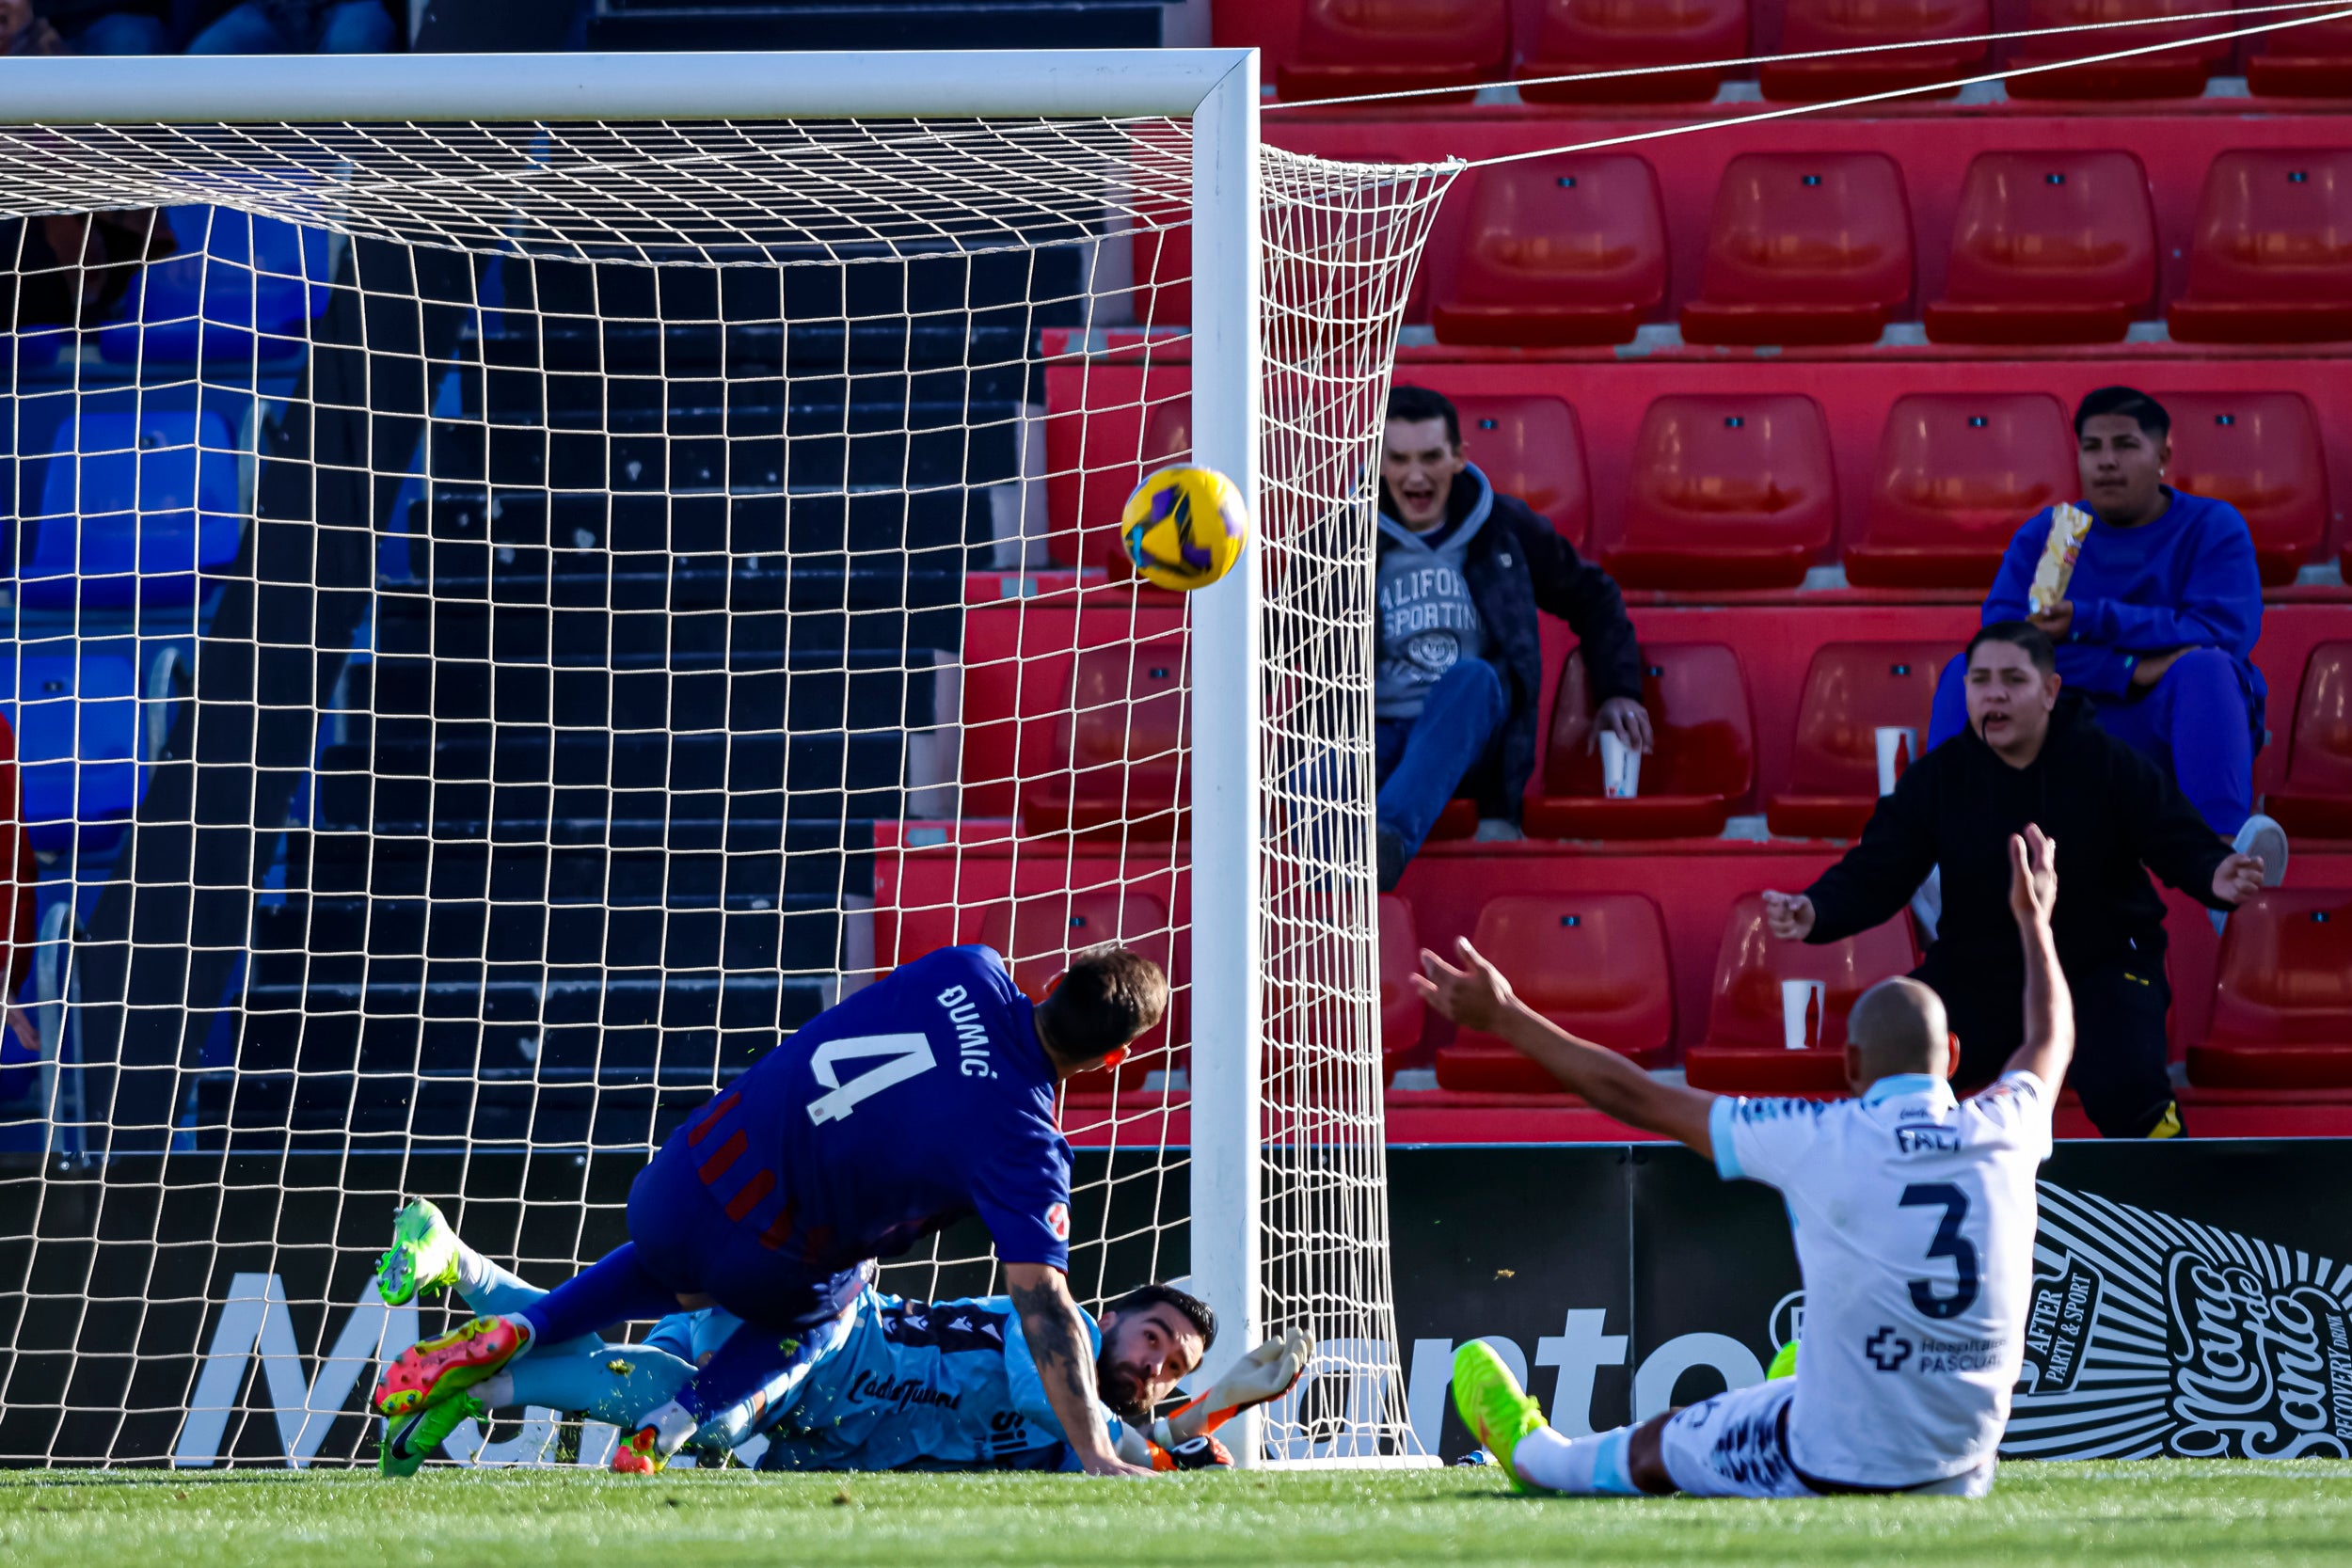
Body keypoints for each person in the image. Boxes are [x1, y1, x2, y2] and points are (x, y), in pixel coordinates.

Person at [1430, 823, 2073, 1499]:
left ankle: (1536, 1455)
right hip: (1962, 1467)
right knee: (1799, 1385)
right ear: (1954, 1057)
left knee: (1656, 1445)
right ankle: (1795, 1387)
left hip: (1828, 1461)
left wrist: (1506, 1016)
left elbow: (1633, 1094)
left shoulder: (1823, 1133)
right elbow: (2051, 1034)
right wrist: (2037, 922)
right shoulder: (2008, 1125)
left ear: (1851, 1067)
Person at [373, 943, 1169, 1478]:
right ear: (1112, 1059)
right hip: (774, 1258)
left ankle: (519, 1322)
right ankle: (670, 1421)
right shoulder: (1026, 1143)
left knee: (666, 1277)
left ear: (1058, 976)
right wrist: (1099, 1450)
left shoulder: (970, 964)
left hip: (687, 1168)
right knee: (825, 1306)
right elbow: (1043, 1299)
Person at [1764, 623, 2265, 1139]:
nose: (1994, 693)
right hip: (1981, 972)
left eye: (2013, 679)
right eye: (1980, 680)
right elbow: (1878, 870)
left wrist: (2213, 870)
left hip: (2104, 968)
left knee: (2127, 1084)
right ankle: (1900, 1185)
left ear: (2050, 692)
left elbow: (2171, 833)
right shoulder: (1938, 779)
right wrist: (1816, 909)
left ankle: (2172, 1198)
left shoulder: (2107, 762)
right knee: (1897, 1043)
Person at [370, 1200, 1299, 1477]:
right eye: (1153, 1336)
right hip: (836, 1335)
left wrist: (1196, 1425)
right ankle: (487, 1386)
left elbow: (1112, 1472)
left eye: (1170, 1365)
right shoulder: (1054, 1331)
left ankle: (463, 1274)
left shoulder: (1078, 1432)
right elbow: (1067, 1415)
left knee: (643, 1359)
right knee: (709, 1416)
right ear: (1114, 1312)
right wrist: (1201, 1413)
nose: (1151, 1362)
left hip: (829, 1412)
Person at [1927, 385, 2285, 879]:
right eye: (2092, 449)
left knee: (2206, 666)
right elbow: (2002, 643)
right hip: (2065, 726)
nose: (2107, 462)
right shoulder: (2057, 533)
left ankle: (2217, 857)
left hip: (2167, 728)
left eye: (2125, 445)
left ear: (2163, 454)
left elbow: (2221, 632)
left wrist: (2089, 619)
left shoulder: (2211, 524)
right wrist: (2129, 670)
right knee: (1969, 671)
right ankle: (1946, 857)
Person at [1374, 385, 1647, 890]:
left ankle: (1382, 843)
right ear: (1377, 462)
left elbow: (1595, 596)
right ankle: (1343, 853)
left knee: (1474, 679)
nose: (1415, 475)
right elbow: (1283, 637)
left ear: (1459, 458)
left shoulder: (1503, 528)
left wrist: (1618, 689)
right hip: (1371, 738)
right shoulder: (1341, 538)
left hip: (1468, 741)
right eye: (1399, 459)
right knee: (1317, 759)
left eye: (1431, 457)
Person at [184, 0, 394, 52]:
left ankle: (351, 158)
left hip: (349, 5)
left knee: (353, 43)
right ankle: (195, 161)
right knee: (209, 50)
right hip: (267, 10)